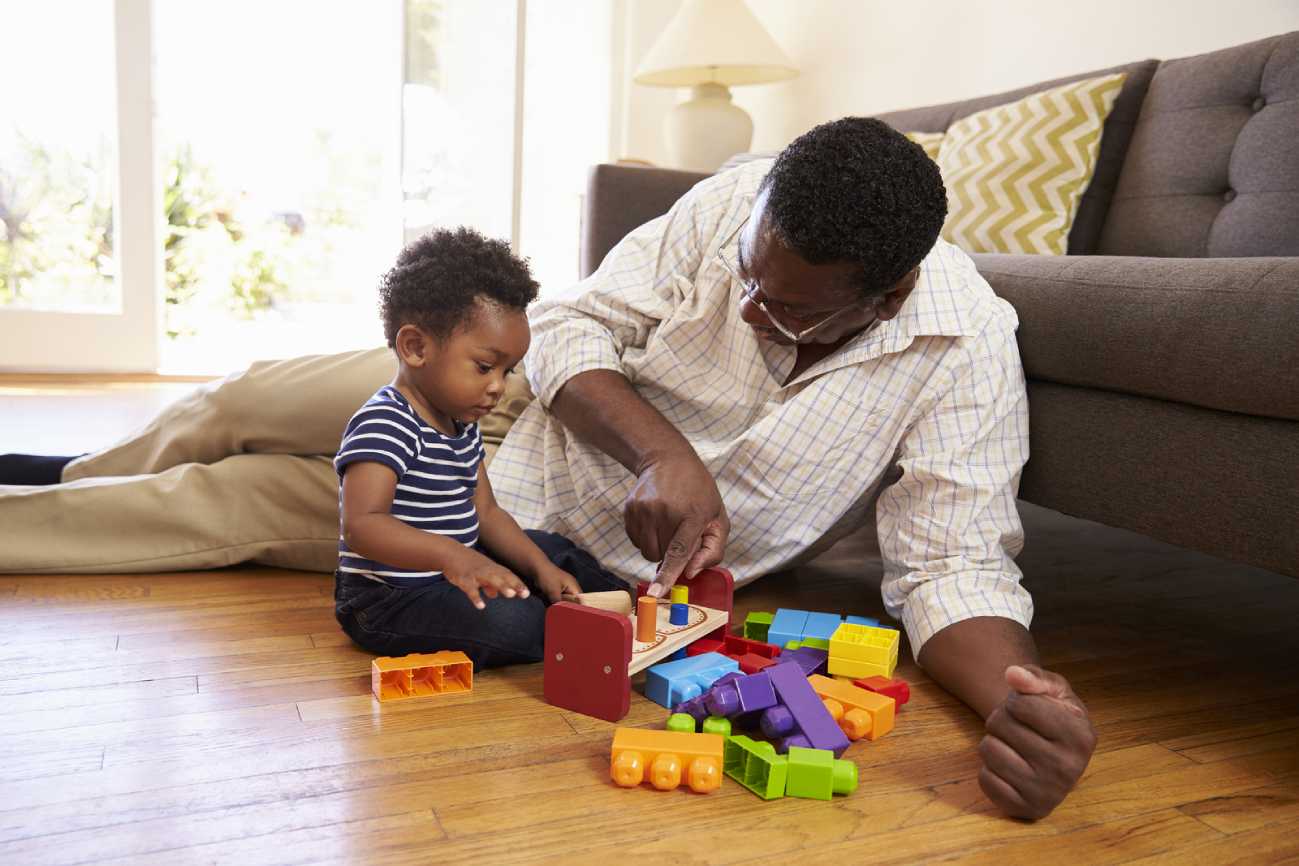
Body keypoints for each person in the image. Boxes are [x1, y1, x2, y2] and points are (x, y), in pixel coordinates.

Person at [0, 117, 1095, 819]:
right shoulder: (736, 202)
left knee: (213, 503)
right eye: (749, 275)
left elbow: (953, 565)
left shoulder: (962, 346)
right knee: (234, 398)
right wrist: (660, 446)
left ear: (886, 295)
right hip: (517, 390)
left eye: (788, 303)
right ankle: (65, 465)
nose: (751, 302)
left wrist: (1019, 695)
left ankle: (38, 512)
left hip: (499, 521)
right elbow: (573, 326)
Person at [332, 227, 628, 668]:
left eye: (507, 371)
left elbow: (486, 514)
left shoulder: (462, 420)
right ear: (415, 347)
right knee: (517, 624)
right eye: (485, 366)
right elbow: (363, 525)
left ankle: (627, 610)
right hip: (389, 599)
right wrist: (454, 556)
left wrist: (539, 567)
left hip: (455, 571)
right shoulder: (385, 423)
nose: (497, 388)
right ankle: (571, 622)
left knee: (553, 549)